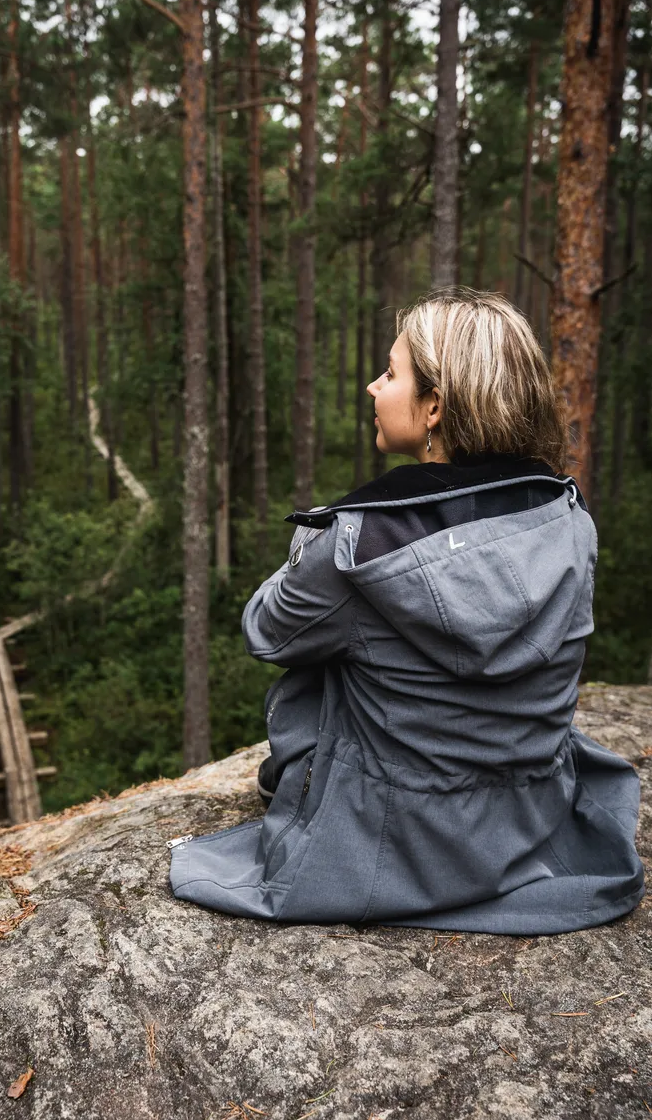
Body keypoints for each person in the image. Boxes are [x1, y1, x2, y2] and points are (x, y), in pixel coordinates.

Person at [168, 288, 644, 933]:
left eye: (391, 374)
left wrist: (315, 549)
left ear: (435, 407)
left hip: (394, 839)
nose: (372, 386)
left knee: (319, 656)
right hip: (532, 818)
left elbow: (268, 633)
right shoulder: (566, 515)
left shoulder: (357, 544)